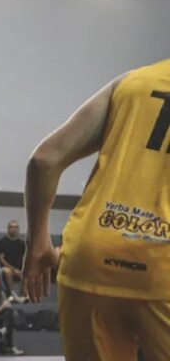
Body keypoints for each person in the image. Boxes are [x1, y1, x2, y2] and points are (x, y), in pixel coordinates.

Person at [22, 58, 170, 360]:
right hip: (161, 264)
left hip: (89, 254)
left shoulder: (132, 82)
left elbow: (45, 160)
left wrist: (38, 241)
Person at [0, 220, 26, 296]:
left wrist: (23, 269)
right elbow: (1, 259)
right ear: (8, 229)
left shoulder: (21, 243)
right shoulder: (2, 242)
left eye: (16, 227)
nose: (14, 229)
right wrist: (13, 269)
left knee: (26, 274)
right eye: (11, 227)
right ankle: (11, 294)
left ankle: (24, 295)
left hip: (18, 268)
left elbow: (24, 258)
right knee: (8, 272)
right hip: (5, 268)